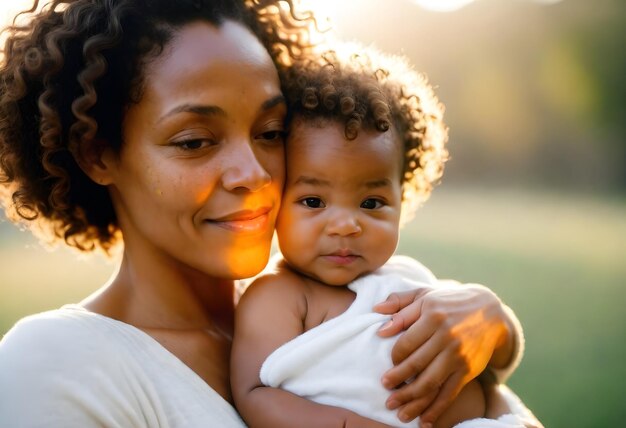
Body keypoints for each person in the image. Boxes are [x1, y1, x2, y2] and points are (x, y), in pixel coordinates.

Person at [0, 0, 527, 426]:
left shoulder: (350, 304)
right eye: (194, 141)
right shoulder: (52, 361)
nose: (252, 172)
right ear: (98, 154)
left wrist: (492, 325)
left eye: (271, 133)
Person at [231, 45, 542, 427]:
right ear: (276, 199)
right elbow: (255, 394)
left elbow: (489, 350)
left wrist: (499, 325)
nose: (346, 224)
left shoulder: (407, 278)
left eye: (372, 202)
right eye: (313, 200)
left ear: (402, 197)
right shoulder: (279, 296)